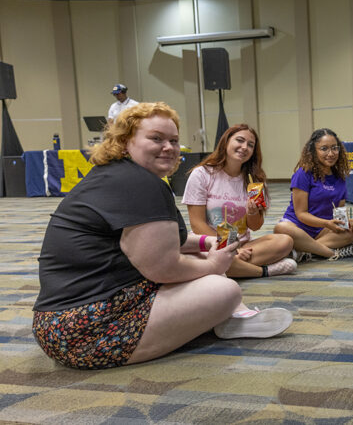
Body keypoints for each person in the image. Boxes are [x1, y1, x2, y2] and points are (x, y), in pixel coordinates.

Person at [32, 102, 293, 370]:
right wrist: (213, 265)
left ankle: (225, 312)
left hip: (71, 317)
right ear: (124, 141)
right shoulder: (148, 182)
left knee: (266, 244)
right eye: (156, 138)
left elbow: (171, 239)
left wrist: (207, 243)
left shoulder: (122, 175)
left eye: (174, 140)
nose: (168, 147)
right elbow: (164, 267)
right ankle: (234, 305)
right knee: (223, 288)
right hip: (82, 331)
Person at [182, 124, 296, 278]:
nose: (244, 147)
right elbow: (197, 225)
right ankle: (263, 271)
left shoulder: (255, 180)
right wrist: (230, 248)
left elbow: (256, 226)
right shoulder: (202, 174)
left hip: (243, 245)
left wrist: (253, 213)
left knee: (285, 241)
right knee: (193, 257)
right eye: (240, 141)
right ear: (226, 142)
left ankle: (226, 267)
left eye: (250, 145)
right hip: (210, 243)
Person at [274, 128, 353, 260]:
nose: (331, 153)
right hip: (298, 227)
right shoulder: (303, 174)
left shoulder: (340, 178)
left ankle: (304, 252)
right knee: (281, 228)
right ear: (314, 152)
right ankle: (331, 253)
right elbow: (301, 214)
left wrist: (349, 222)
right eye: (324, 149)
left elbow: (339, 212)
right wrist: (326, 223)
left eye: (334, 148)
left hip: (323, 230)